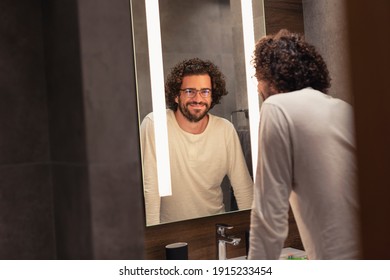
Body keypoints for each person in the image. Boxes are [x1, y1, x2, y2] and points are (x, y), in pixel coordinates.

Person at [248, 29, 361, 259]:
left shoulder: (277, 108)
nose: (258, 89)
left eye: (258, 79)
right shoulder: (343, 109)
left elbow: (268, 218)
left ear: (268, 78)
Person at [140, 58, 253, 226]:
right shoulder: (156, 124)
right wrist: (152, 239)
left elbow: (244, 189)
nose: (198, 98)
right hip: (168, 234)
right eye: (189, 91)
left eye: (205, 91)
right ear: (176, 96)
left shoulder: (225, 130)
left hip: (215, 231)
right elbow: (150, 191)